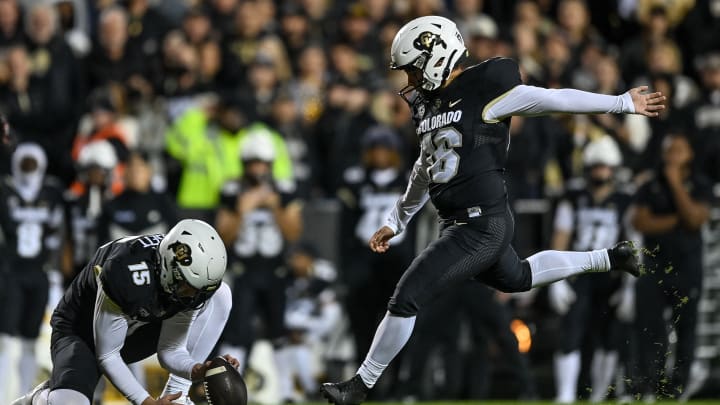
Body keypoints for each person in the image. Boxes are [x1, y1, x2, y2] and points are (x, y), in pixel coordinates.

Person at [320, 15, 664, 405]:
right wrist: (396, 219)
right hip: (465, 223)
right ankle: (610, 257)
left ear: (436, 58)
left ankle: (359, 386)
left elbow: (551, 99)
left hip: (479, 224)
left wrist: (621, 103)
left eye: (413, 70)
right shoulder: (428, 106)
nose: (410, 81)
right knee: (518, 277)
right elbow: (424, 168)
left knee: (406, 296)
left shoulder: (486, 87)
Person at [11, 219, 237, 405]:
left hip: (136, 327)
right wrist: (146, 402)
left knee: (221, 296)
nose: (192, 296)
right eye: (187, 287)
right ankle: (37, 400)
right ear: (169, 263)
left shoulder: (187, 285)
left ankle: (180, 396)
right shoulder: (126, 271)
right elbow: (107, 355)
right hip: (82, 332)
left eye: (198, 291)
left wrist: (197, 370)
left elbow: (170, 350)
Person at [548, 136, 636, 403]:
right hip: (579, 273)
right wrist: (555, 279)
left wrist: (629, 285)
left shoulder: (625, 201)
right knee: (570, 334)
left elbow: (633, 242)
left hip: (610, 277)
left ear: (614, 168)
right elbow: (561, 236)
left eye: (605, 166)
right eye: (596, 166)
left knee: (609, 338)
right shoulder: (573, 198)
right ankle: (565, 395)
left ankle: (599, 394)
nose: (601, 171)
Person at [631, 131, 711, 401]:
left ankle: (679, 386)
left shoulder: (700, 184)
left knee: (686, 328)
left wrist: (676, 185)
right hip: (654, 266)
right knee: (649, 327)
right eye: (669, 150)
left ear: (689, 155)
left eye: (679, 150)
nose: (673, 156)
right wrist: (678, 220)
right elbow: (641, 222)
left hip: (687, 267)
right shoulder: (650, 185)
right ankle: (649, 385)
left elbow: (697, 219)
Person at [0, 143, 65, 397]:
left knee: (29, 339)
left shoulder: (51, 192)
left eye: (33, 163)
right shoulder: (5, 190)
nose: (29, 168)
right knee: (5, 338)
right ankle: (4, 396)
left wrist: (56, 270)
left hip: (39, 273)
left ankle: (24, 396)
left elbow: (60, 235)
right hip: (10, 272)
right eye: (24, 163)